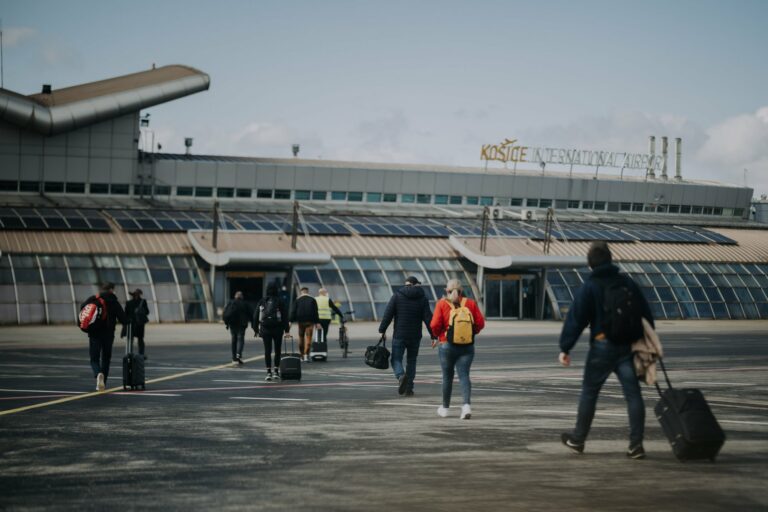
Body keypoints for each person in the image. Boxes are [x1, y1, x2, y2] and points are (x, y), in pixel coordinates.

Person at [558, 241, 654, 459]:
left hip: (602, 346)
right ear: (610, 259)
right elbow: (645, 313)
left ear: (590, 263)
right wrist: (645, 343)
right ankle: (636, 445)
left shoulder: (590, 286)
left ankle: (579, 439)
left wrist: (565, 347)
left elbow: (577, 318)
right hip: (627, 347)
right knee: (633, 395)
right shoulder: (627, 282)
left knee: (590, 393)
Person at [430, 279, 485, 419]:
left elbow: (435, 324)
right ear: (461, 290)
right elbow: (480, 323)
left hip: (446, 345)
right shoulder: (470, 303)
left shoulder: (442, 304)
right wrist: (470, 334)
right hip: (467, 346)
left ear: (446, 290)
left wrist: (439, 336)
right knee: (464, 376)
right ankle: (466, 406)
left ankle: (445, 408)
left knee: (447, 377)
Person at [378, 276, 435, 397]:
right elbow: (428, 318)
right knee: (411, 361)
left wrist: (382, 330)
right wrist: (433, 335)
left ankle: (400, 375)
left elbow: (388, 314)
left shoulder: (397, 296)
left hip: (400, 334)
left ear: (406, 284)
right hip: (415, 335)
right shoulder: (423, 298)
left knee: (396, 359)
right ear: (416, 284)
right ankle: (409, 388)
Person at [81, 282, 127, 391]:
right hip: (108, 334)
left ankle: (98, 374)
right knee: (106, 358)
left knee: (94, 359)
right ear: (111, 289)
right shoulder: (113, 301)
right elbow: (123, 319)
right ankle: (103, 382)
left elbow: (83, 309)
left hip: (94, 333)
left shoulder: (93, 299)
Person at [253, 283, 290, 381]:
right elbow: (285, 317)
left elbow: (256, 316)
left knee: (267, 351)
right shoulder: (280, 301)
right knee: (277, 350)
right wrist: (287, 330)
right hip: (278, 329)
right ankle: (276, 372)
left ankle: (268, 372)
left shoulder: (262, 301)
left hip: (265, 329)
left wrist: (255, 329)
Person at [223, 291, 254, 366]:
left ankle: (234, 358)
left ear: (235, 296)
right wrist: (254, 325)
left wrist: (227, 323)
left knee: (234, 340)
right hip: (242, 325)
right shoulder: (245, 304)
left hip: (232, 325)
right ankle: (238, 354)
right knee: (240, 340)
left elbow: (225, 314)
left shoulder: (231, 303)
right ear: (241, 297)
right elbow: (251, 314)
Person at [289, 287, 319, 362]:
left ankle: (301, 355)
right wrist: (317, 322)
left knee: (301, 338)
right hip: (310, 322)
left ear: (301, 292)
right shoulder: (312, 299)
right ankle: (306, 355)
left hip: (300, 322)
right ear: (307, 292)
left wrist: (290, 321)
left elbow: (293, 311)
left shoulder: (297, 300)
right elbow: (315, 312)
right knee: (308, 339)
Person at [122, 288, 150, 360]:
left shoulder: (128, 302)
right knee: (140, 339)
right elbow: (147, 312)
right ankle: (141, 354)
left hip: (131, 323)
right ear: (140, 294)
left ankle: (129, 353)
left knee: (130, 339)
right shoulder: (143, 302)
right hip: (139, 323)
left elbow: (126, 314)